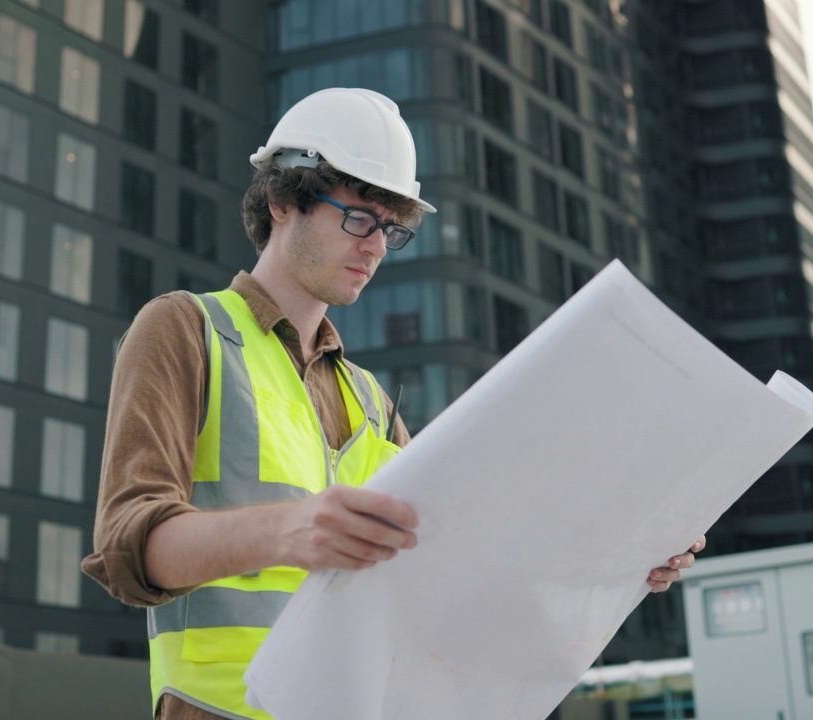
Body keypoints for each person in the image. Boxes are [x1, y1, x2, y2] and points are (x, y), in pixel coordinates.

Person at [83, 88, 705, 720]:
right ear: (280, 200)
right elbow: (126, 550)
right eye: (359, 217)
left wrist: (622, 555)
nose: (376, 246)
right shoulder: (186, 329)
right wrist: (291, 531)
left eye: (392, 229)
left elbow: (448, 575)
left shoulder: (370, 401)